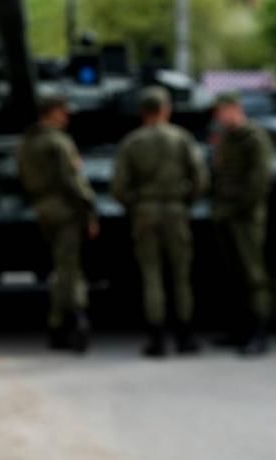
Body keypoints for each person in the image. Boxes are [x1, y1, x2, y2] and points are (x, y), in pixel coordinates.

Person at [111, 86, 209, 358]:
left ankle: (157, 339)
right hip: (176, 210)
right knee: (180, 275)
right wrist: (185, 200)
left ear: (142, 112)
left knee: (151, 274)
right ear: (166, 110)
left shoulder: (132, 142)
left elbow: (119, 186)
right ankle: (185, 337)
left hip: (145, 211)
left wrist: (136, 203)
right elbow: (200, 178)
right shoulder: (182, 139)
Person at [16, 96, 99, 352]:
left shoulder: (27, 142)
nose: (67, 117)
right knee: (69, 268)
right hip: (66, 210)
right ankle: (75, 320)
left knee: (60, 266)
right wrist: (89, 209)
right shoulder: (59, 142)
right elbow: (72, 181)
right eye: (63, 112)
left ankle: (57, 323)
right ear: (51, 113)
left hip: (43, 208)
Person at [211, 92, 274, 356]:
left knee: (252, 275)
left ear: (235, 109)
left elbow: (259, 180)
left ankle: (258, 333)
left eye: (222, 111)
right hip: (226, 213)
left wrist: (240, 207)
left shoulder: (254, 138)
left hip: (245, 216)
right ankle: (238, 329)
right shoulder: (226, 138)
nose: (219, 117)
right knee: (233, 275)